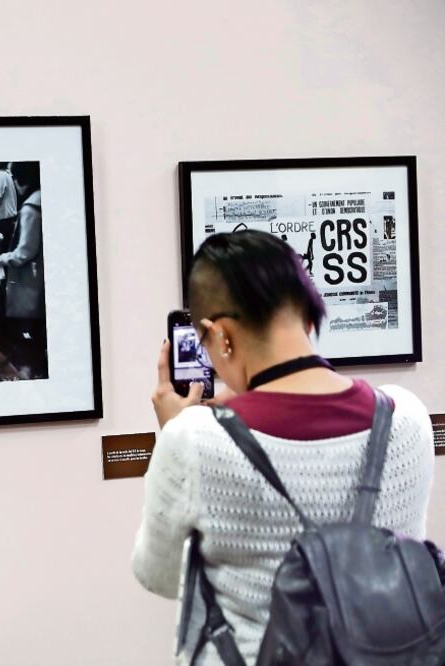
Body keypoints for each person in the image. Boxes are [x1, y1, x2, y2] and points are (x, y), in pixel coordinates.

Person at [133, 230, 433, 664]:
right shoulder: (405, 419)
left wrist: (176, 431)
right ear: (309, 318)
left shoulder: (196, 439)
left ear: (220, 336)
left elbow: (158, 574)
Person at [0, 162, 45, 324]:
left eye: (15, 179)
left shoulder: (31, 208)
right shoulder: (43, 197)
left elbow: (25, 252)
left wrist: (1, 259)